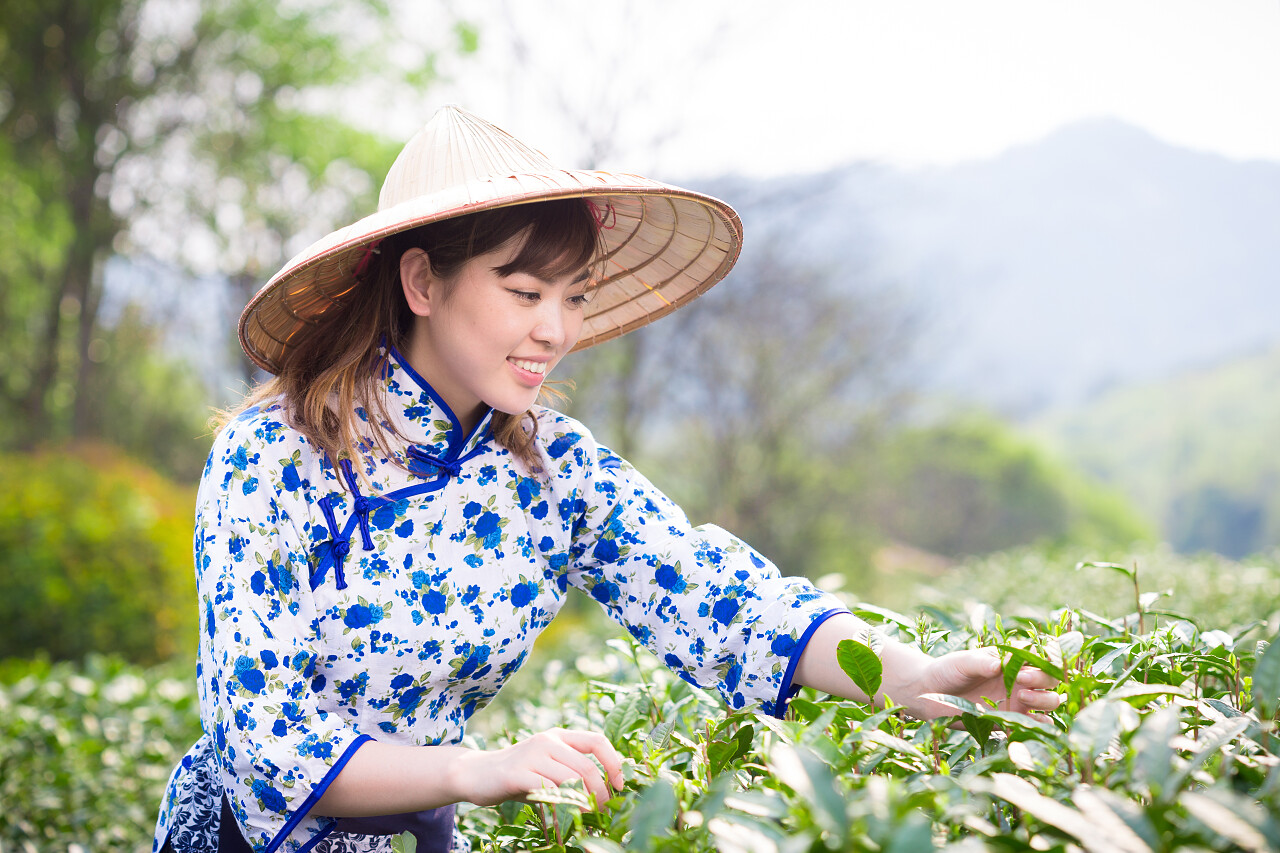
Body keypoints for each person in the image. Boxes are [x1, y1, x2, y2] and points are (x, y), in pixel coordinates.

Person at [152, 105, 1060, 853]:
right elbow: (265, 743)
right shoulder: (275, 457)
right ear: (423, 281)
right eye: (523, 291)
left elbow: (715, 595)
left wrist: (909, 674)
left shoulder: (549, 464)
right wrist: (475, 768)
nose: (555, 329)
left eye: (574, 295)